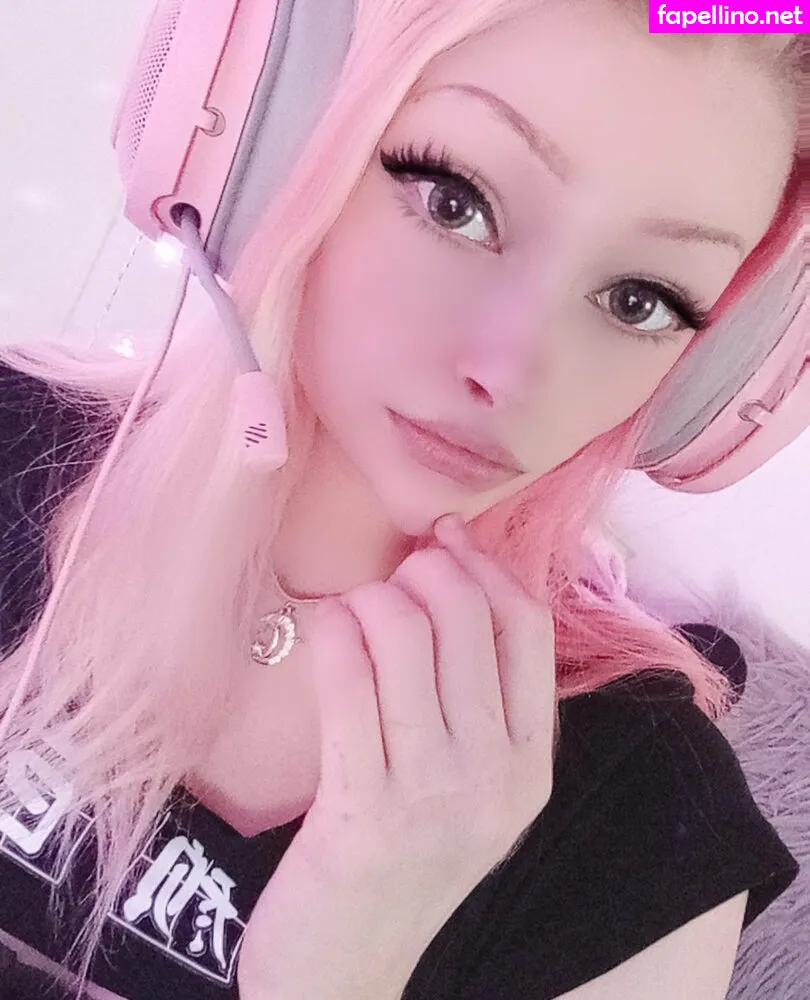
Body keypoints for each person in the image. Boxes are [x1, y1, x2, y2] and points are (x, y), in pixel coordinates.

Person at [0, 1, 803, 998]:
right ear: (282, 137)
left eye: (640, 301)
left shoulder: (643, 827)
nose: (509, 369)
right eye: (454, 201)